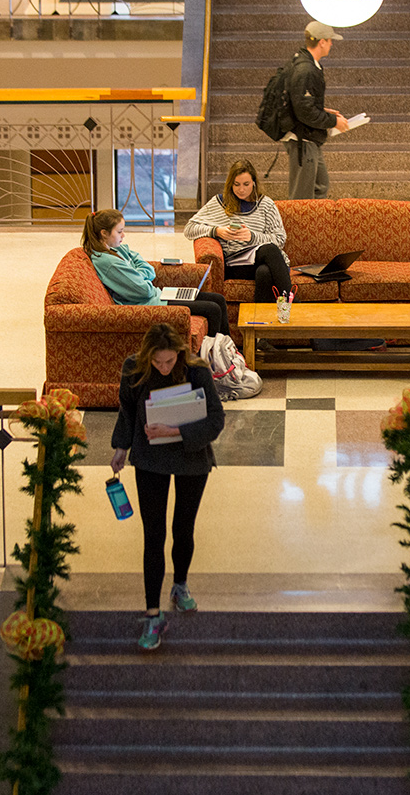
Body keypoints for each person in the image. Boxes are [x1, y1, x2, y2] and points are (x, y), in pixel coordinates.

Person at [111, 323, 226, 650]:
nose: (164, 367)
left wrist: (174, 430)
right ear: (148, 357)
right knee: (153, 535)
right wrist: (121, 447)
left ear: (179, 353)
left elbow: (216, 420)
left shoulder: (196, 370)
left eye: (169, 361)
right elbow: (128, 412)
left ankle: (180, 585)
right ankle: (152, 613)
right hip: (150, 459)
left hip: (192, 458)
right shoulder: (134, 369)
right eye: (158, 362)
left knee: (183, 528)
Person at [85, 209, 230, 336]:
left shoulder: (116, 248)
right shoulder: (107, 262)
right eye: (120, 231)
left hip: (158, 295)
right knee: (213, 309)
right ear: (104, 233)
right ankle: (216, 357)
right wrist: (139, 276)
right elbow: (144, 290)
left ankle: (230, 353)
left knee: (218, 299)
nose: (123, 236)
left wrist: (137, 274)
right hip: (150, 305)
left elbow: (147, 267)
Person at [183, 159, 292, 303]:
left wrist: (252, 237)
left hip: (262, 260)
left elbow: (280, 239)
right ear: (230, 184)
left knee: (264, 272)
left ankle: (262, 321)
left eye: (246, 184)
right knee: (270, 251)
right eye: (237, 184)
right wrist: (216, 231)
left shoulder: (265, 204)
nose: (241, 189)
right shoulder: (219, 203)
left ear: (254, 183)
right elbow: (189, 229)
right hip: (235, 264)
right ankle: (292, 303)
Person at [282, 21, 350, 200]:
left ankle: (316, 227)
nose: (331, 44)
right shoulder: (306, 70)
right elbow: (305, 112)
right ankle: (298, 228)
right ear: (321, 42)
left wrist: (324, 111)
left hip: (308, 138)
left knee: (320, 186)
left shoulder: (304, 64)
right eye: (329, 40)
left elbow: (301, 103)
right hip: (302, 139)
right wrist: (334, 121)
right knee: (302, 195)